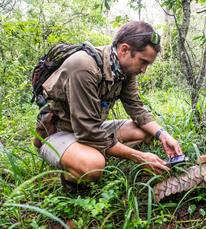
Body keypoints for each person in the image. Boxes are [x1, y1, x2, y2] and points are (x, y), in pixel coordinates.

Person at [37, 21, 183, 190]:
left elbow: (136, 108)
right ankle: (74, 174)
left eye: (147, 64)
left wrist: (163, 135)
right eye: (143, 62)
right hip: (59, 133)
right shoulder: (83, 67)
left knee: (143, 132)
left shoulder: (125, 70)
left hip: (90, 129)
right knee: (94, 165)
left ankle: (93, 155)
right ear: (125, 50)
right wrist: (139, 157)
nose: (144, 70)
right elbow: (88, 131)